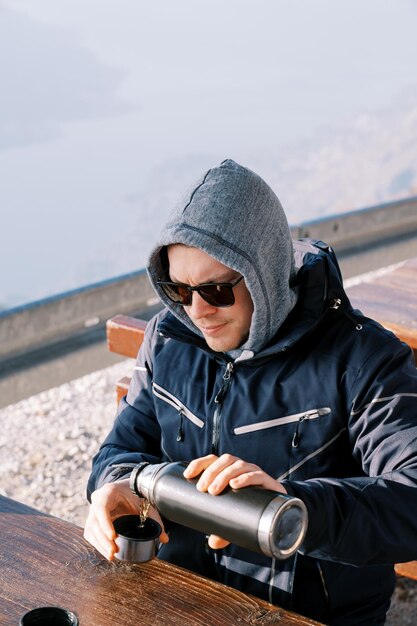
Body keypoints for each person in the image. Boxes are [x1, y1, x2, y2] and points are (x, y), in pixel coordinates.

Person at [85, 159, 417, 625]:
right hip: (181, 594)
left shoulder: (363, 359)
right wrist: (114, 486)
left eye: (217, 290)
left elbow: (411, 503)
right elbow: (120, 449)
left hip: (309, 614)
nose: (197, 311)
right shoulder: (167, 338)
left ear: (264, 272)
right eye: (178, 289)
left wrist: (293, 507)